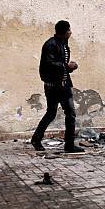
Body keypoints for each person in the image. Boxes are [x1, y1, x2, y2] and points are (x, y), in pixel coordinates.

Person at [31, 20, 84, 153]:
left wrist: (70, 68)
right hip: (53, 87)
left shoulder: (64, 44)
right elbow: (48, 64)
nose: (71, 32)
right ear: (64, 32)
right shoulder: (50, 44)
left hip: (64, 85)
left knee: (70, 114)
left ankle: (69, 145)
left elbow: (60, 65)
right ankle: (36, 140)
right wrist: (67, 66)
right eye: (69, 30)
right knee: (51, 113)